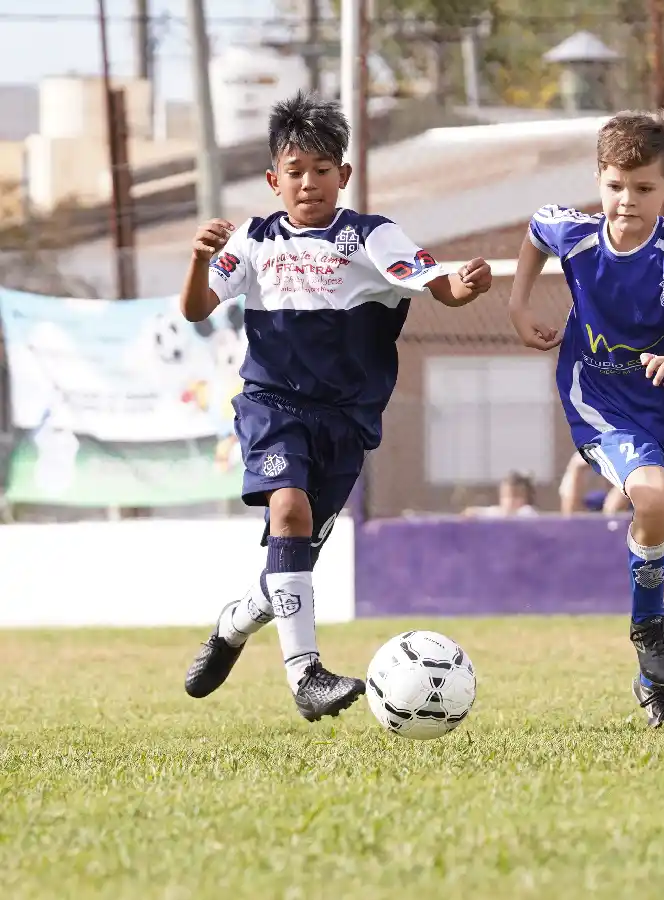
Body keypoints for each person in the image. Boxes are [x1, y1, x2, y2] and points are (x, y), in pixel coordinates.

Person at [180, 92, 492, 721]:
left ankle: (233, 625)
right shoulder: (252, 239)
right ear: (273, 179)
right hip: (272, 404)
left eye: (322, 170)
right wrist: (199, 259)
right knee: (288, 510)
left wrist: (464, 285)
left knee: (290, 561)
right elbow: (195, 310)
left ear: (343, 174)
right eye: (295, 171)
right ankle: (306, 675)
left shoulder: (373, 237)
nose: (308, 183)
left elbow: (438, 286)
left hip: (347, 419)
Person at [508, 110, 664, 729]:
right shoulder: (575, 235)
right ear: (599, 182)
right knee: (651, 499)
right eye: (615, 186)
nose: (627, 200)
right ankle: (645, 627)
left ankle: (656, 679)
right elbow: (536, 230)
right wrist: (519, 307)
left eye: (644, 188)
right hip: (601, 403)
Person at [463, 470, 539, 517]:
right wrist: (472, 513)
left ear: (526, 498)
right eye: (506, 496)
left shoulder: (528, 513)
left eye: (516, 496)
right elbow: (479, 512)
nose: (511, 500)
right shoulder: (498, 513)